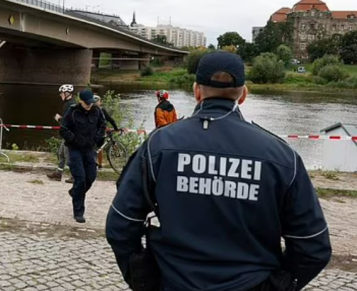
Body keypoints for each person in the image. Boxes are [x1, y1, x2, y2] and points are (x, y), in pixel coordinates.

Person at [106, 51, 331, 291]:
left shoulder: (158, 146)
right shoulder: (282, 156)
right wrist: (277, 286)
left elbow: (121, 225)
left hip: (174, 282)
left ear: (196, 91)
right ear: (243, 95)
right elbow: (312, 246)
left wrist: (143, 279)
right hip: (251, 283)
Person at [59, 89, 106, 223]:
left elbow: (103, 125)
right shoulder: (73, 111)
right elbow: (63, 129)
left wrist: (98, 138)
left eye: (91, 103)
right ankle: (78, 212)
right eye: (86, 103)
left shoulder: (97, 111)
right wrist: (73, 139)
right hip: (74, 149)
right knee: (80, 178)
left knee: (90, 177)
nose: (89, 105)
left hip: (89, 149)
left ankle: (75, 192)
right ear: (80, 101)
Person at [47, 84, 78, 181]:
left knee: (67, 155)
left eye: (61, 93)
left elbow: (68, 122)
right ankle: (58, 173)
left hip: (70, 134)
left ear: (67, 93)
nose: (60, 95)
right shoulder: (69, 104)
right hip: (67, 133)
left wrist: (59, 119)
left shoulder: (70, 104)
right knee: (61, 153)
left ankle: (74, 176)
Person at [94, 94, 121, 168]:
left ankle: (96, 163)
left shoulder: (89, 109)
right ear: (99, 102)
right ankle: (99, 164)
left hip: (91, 132)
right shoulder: (102, 110)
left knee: (95, 148)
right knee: (100, 148)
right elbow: (110, 119)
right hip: (100, 132)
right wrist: (116, 128)